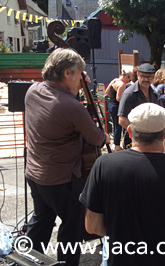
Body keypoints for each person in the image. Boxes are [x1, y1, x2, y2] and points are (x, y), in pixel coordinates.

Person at [80, 103, 165, 266]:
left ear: (131, 132)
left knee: (108, 243)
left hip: (120, 258)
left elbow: (92, 226)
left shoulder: (103, 164)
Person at [24, 48, 110, 266]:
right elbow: (95, 137)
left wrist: (80, 87)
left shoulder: (33, 91)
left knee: (41, 221)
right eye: (79, 73)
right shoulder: (71, 106)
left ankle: (29, 260)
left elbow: (61, 109)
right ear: (67, 74)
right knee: (71, 226)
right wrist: (107, 137)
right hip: (61, 178)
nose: (81, 78)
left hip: (35, 173)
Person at [118, 63, 158, 130]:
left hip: (151, 136)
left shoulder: (154, 93)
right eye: (143, 76)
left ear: (154, 77)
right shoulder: (129, 93)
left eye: (149, 77)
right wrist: (139, 134)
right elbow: (122, 120)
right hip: (134, 137)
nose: (146, 79)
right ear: (137, 75)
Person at [105, 70, 131, 151]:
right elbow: (119, 98)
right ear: (126, 77)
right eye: (129, 79)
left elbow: (107, 92)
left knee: (115, 125)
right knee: (118, 125)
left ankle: (116, 144)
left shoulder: (114, 81)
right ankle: (117, 145)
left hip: (111, 104)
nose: (129, 81)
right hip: (116, 106)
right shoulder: (122, 84)